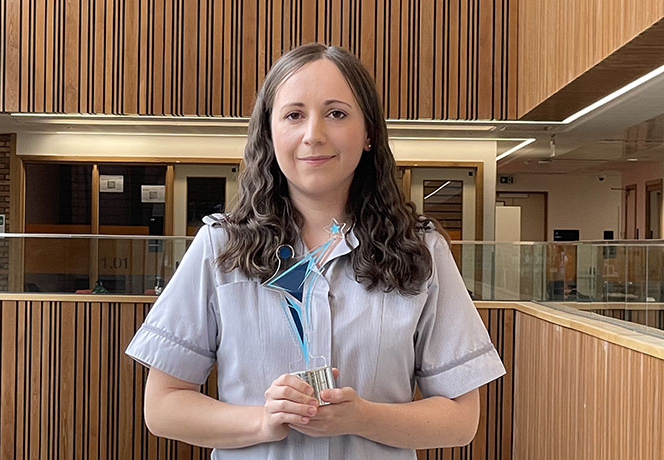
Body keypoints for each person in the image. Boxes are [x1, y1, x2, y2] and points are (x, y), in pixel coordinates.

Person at [125, 43, 505, 459]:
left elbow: (461, 419)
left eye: (337, 113)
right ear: (269, 134)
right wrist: (263, 421)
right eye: (293, 115)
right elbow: (163, 407)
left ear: (368, 133)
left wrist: (362, 417)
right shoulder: (221, 246)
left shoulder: (421, 250)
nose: (313, 134)